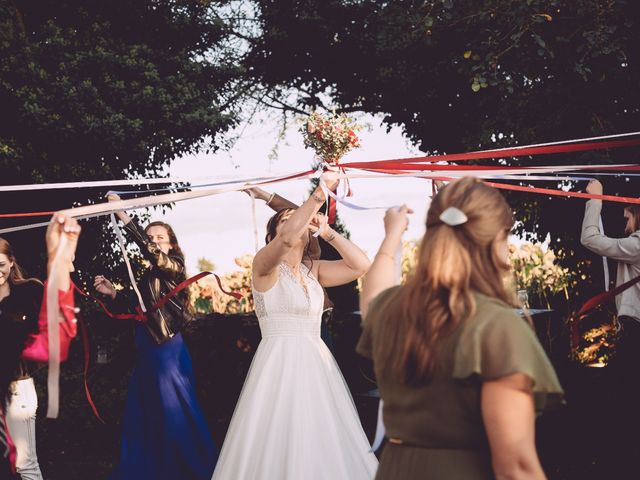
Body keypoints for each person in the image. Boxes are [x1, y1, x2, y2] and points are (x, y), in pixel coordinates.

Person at [358, 177, 563, 480]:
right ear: (496, 240)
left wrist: (392, 235)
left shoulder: (390, 309)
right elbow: (515, 467)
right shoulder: (497, 326)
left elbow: (372, 293)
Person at [212, 171, 377, 479]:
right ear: (274, 233)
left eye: (298, 218)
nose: (295, 223)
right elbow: (289, 235)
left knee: (320, 435)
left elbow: (361, 265)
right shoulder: (264, 266)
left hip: (317, 364)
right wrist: (320, 194)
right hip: (278, 363)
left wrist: (326, 231)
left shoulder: (314, 271)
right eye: (285, 220)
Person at [96, 194, 217, 480]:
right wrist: (114, 294)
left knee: (175, 409)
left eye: (159, 237)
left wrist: (124, 217)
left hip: (166, 350)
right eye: (150, 237)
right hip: (147, 347)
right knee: (147, 411)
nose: (154, 241)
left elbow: (154, 256)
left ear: (171, 244)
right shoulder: (150, 275)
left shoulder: (173, 266)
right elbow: (142, 306)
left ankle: (192, 466)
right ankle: (153, 467)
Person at [0, 213, 81, 480]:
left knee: (25, 465)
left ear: (11, 263)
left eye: (1, 263)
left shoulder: (29, 292)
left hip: (16, 390)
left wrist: (60, 259)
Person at [581, 179, 640, 469]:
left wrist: (595, 200)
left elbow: (590, 239)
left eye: (628, 213)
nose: (625, 218)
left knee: (619, 401)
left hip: (637, 334)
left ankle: (617, 464)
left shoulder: (638, 244)